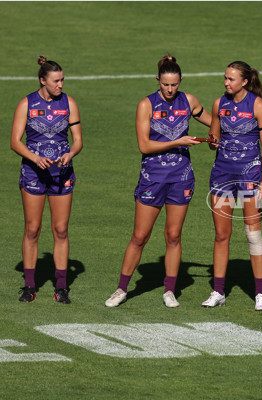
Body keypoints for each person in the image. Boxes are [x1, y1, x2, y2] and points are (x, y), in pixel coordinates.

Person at [105, 54, 211, 308]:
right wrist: (179, 141)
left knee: (173, 236)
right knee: (140, 236)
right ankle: (121, 289)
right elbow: (144, 145)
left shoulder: (189, 101)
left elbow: (213, 121)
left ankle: (170, 290)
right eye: (165, 84)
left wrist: (215, 135)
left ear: (180, 81)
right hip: (153, 178)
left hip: (181, 178)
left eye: (174, 84)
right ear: (158, 80)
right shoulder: (146, 105)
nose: (170, 89)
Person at [10, 56, 83, 304]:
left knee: (61, 230)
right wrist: (34, 158)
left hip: (62, 174)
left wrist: (70, 153)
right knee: (32, 229)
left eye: (62, 80)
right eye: (56, 81)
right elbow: (15, 142)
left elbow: (78, 140)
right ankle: (29, 286)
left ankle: (61, 286)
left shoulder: (69, 103)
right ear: (43, 80)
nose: (60, 85)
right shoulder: (26, 104)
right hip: (33, 174)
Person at [201, 61, 262, 311]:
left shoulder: (258, 105)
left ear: (244, 81)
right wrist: (211, 141)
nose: (226, 83)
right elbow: (214, 140)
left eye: (231, 79)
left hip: (250, 176)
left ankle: (260, 292)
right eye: (225, 78)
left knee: (253, 234)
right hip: (222, 175)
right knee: (222, 235)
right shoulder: (219, 104)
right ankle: (218, 291)